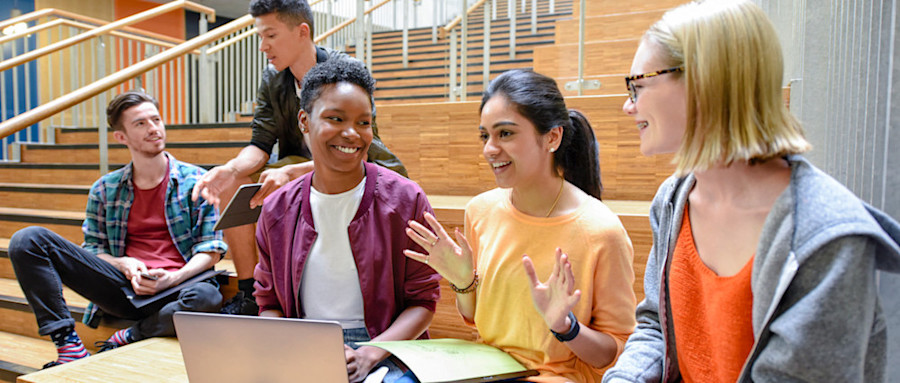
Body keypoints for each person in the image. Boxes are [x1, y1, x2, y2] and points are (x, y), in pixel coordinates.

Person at [603, 1, 900, 382]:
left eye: (638, 85)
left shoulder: (828, 238)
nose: (628, 105)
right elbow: (655, 327)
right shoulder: (673, 200)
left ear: (706, 82)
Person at [403, 69, 637, 382]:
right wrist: (463, 282)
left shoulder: (600, 231)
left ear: (552, 137)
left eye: (506, 134)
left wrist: (566, 328)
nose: (490, 149)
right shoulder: (480, 211)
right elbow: (474, 320)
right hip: (486, 372)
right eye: (485, 135)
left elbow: (615, 353)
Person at [191, 0, 407, 316]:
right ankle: (250, 293)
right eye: (260, 37)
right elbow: (260, 143)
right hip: (295, 164)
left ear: (302, 31)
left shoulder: (344, 72)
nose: (263, 46)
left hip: (350, 164)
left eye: (271, 35)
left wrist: (294, 171)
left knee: (285, 183)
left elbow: (363, 146)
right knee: (232, 183)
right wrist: (231, 169)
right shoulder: (272, 78)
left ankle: (295, 288)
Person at [253, 57, 440, 383]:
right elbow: (268, 303)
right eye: (335, 118)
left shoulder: (406, 200)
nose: (352, 133)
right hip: (304, 345)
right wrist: (297, 348)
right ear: (304, 121)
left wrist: (369, 353)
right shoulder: (276, 209)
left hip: (386, 349)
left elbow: (423, 301)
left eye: (364, 123)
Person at [7, 91, 227, 368]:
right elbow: (94, 249)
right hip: (124, 288)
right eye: (140, 124)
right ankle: (68, 344)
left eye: (156, 120)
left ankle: (130, 335)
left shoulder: (197, 180)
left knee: (208, 297)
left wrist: (172, 278)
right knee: (27, 240)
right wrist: (122, 263)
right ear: (121, 137)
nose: (153, 129)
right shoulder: (105, 188)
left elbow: (211, 249)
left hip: (180, 287)